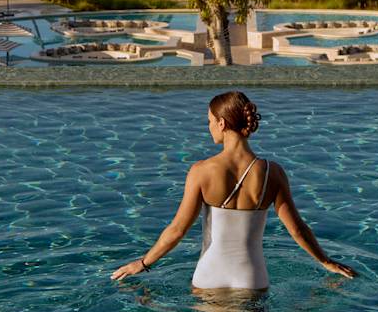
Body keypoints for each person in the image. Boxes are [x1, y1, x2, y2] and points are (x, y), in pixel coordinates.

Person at [112, 91, 356, 288]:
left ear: (221, 122)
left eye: (209, 121)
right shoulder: (273, 172)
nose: (208, 127)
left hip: (209, 275)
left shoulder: (201, 171)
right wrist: (326, 261)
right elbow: (297, 229)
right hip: (252, 277)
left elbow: (177, 231)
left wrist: (142, 264)